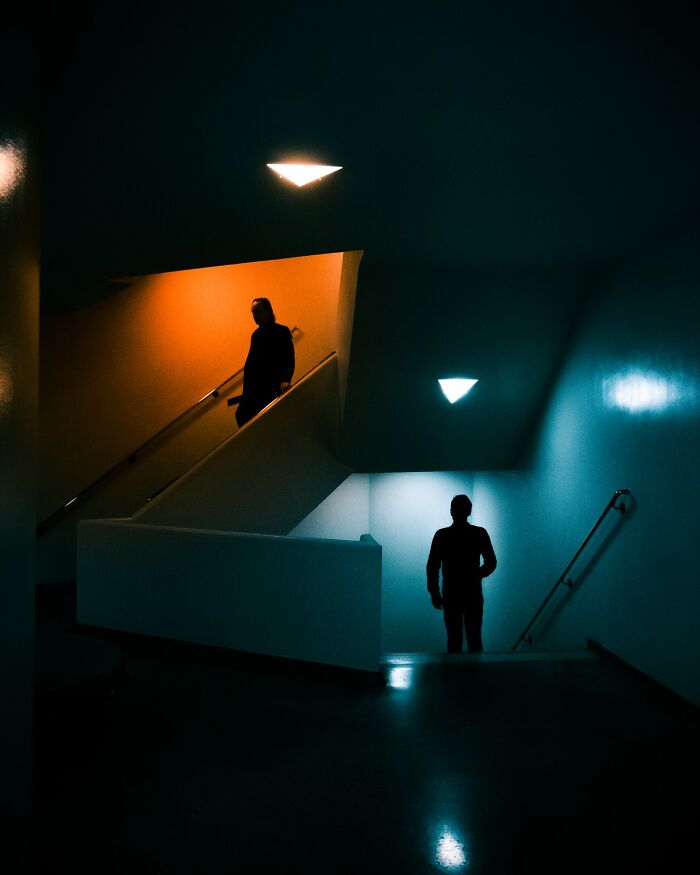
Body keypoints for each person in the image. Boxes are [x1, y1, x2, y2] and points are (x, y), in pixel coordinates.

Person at [427, 494, 497, 653]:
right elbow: (491, 562)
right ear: (469, 511)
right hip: (472, 591)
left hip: (451, 592)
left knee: (454, 638)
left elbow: (433, 566)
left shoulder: (442, 535)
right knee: (474, 637)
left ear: (451, 511)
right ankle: (476, 674)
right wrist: (476, 575)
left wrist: (434, 591)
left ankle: (454, 675)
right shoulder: (479, 533)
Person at [234, 297, 295, 427]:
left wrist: (285, 379)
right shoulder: (256, 334)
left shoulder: (281, 331)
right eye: (253, 312)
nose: (254, 315)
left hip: (271, 385)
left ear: (267, 311)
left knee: (260, 419)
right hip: (257, 387)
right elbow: (252, 365)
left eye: (257, 311)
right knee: (242, 415)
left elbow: (288, 357)